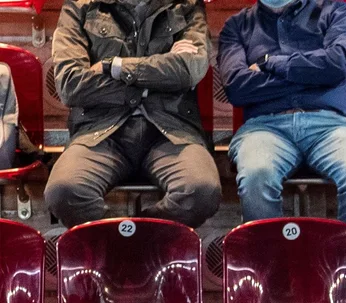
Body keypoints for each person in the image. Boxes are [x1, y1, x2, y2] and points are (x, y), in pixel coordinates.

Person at [47, 0, 219, 227]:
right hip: (101, 130)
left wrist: (113, 66)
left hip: (170, 129)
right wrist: (152, 82)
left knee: (202, 191)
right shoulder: (81, 6)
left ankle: (136, 235)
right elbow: (71, 84)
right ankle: (128, 238)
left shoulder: (186, 6)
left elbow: (190, 69)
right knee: (63, 191)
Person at [216, 0, 346, 235]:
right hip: (264, 127)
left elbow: (337, 65)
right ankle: (269, 268)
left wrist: (268, 63)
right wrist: (311, 77)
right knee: (256, 175)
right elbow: (237, 88)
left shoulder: (335, 11)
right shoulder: (236, 26)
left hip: (331, 125)